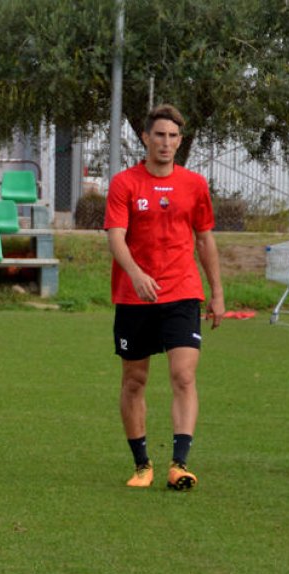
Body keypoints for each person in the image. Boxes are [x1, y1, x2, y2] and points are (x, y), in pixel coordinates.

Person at [104, 104, 224, 490]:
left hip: (182, 292)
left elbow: (205, 240)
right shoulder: (125, 183)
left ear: (180, 141)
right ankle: (142, 466)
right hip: (134, 295)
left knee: (184, 375)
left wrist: (216, 294)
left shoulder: (194, 185)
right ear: (145, 138)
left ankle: (180, 464)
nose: (166, 142)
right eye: (159, 135)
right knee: (134, 380)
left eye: (173, 136)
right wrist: (136, 274)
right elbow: (115, 237)